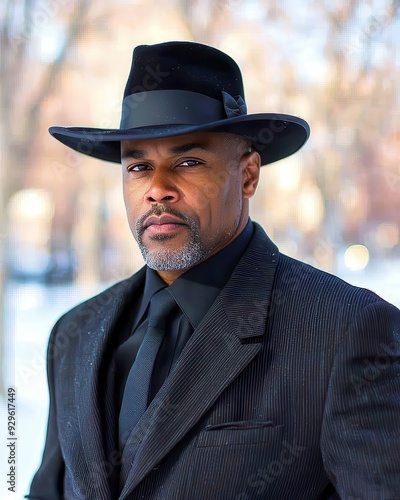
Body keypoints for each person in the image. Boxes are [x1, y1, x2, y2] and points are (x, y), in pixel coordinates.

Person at [27, 41, 400, 500]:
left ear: (247, 176)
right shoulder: (75, 333)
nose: (157, 189)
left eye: (188, 162)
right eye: (139, 166)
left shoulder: (345, 330)